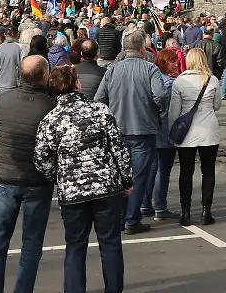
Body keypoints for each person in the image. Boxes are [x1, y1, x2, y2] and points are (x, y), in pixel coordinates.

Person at [34, 65, 133, 293]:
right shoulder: (99, 111)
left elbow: (41, 158)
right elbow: (119, 148)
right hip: (106, 187)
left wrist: (59, 177)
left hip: (73, 192)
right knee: (110, 244)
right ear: (77, 84)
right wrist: (126, 179)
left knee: (75, 246)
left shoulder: (50, 121)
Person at [0, 55, 56, 293]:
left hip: (7, 177)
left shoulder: (3, 100)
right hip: (37, 180)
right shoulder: (50, 106)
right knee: (32, 244)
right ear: (45, 77)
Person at [94, 30, 167, 235]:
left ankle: (120, 216)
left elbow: (99, 99)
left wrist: (109, 116)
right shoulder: (150, 70)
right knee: (138, 177)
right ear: (142, 49)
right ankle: (132, 219)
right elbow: (160, 96)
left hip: (118, 129)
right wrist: (156, 111)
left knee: (119, 175)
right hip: (143, 129)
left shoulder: (112, 70)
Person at [168, 48, 221, 227]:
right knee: (208, 171)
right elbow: (217, 105)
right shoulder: (212, 80)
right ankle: (207, 211)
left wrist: (172, 132)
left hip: (187, 131)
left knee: (186, 171)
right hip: (208, 129)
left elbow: (174, 111)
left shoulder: (179, 82)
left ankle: (186, 212)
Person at [145, 47, 180, 221]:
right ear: (165, 63)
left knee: (151, 169)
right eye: (173, 61)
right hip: (165, 130)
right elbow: (172, 110)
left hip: (151, 129)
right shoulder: (170, 84)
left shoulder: (153, 80)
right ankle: (160, 206)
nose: (176, 64)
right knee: (163, 171)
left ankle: (145, 204)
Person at [0, 27, 25, 96]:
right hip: (16, 87)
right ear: (17, 35)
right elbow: (25, 68)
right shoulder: (22, 48)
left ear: (4, 35)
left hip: (1, 87)